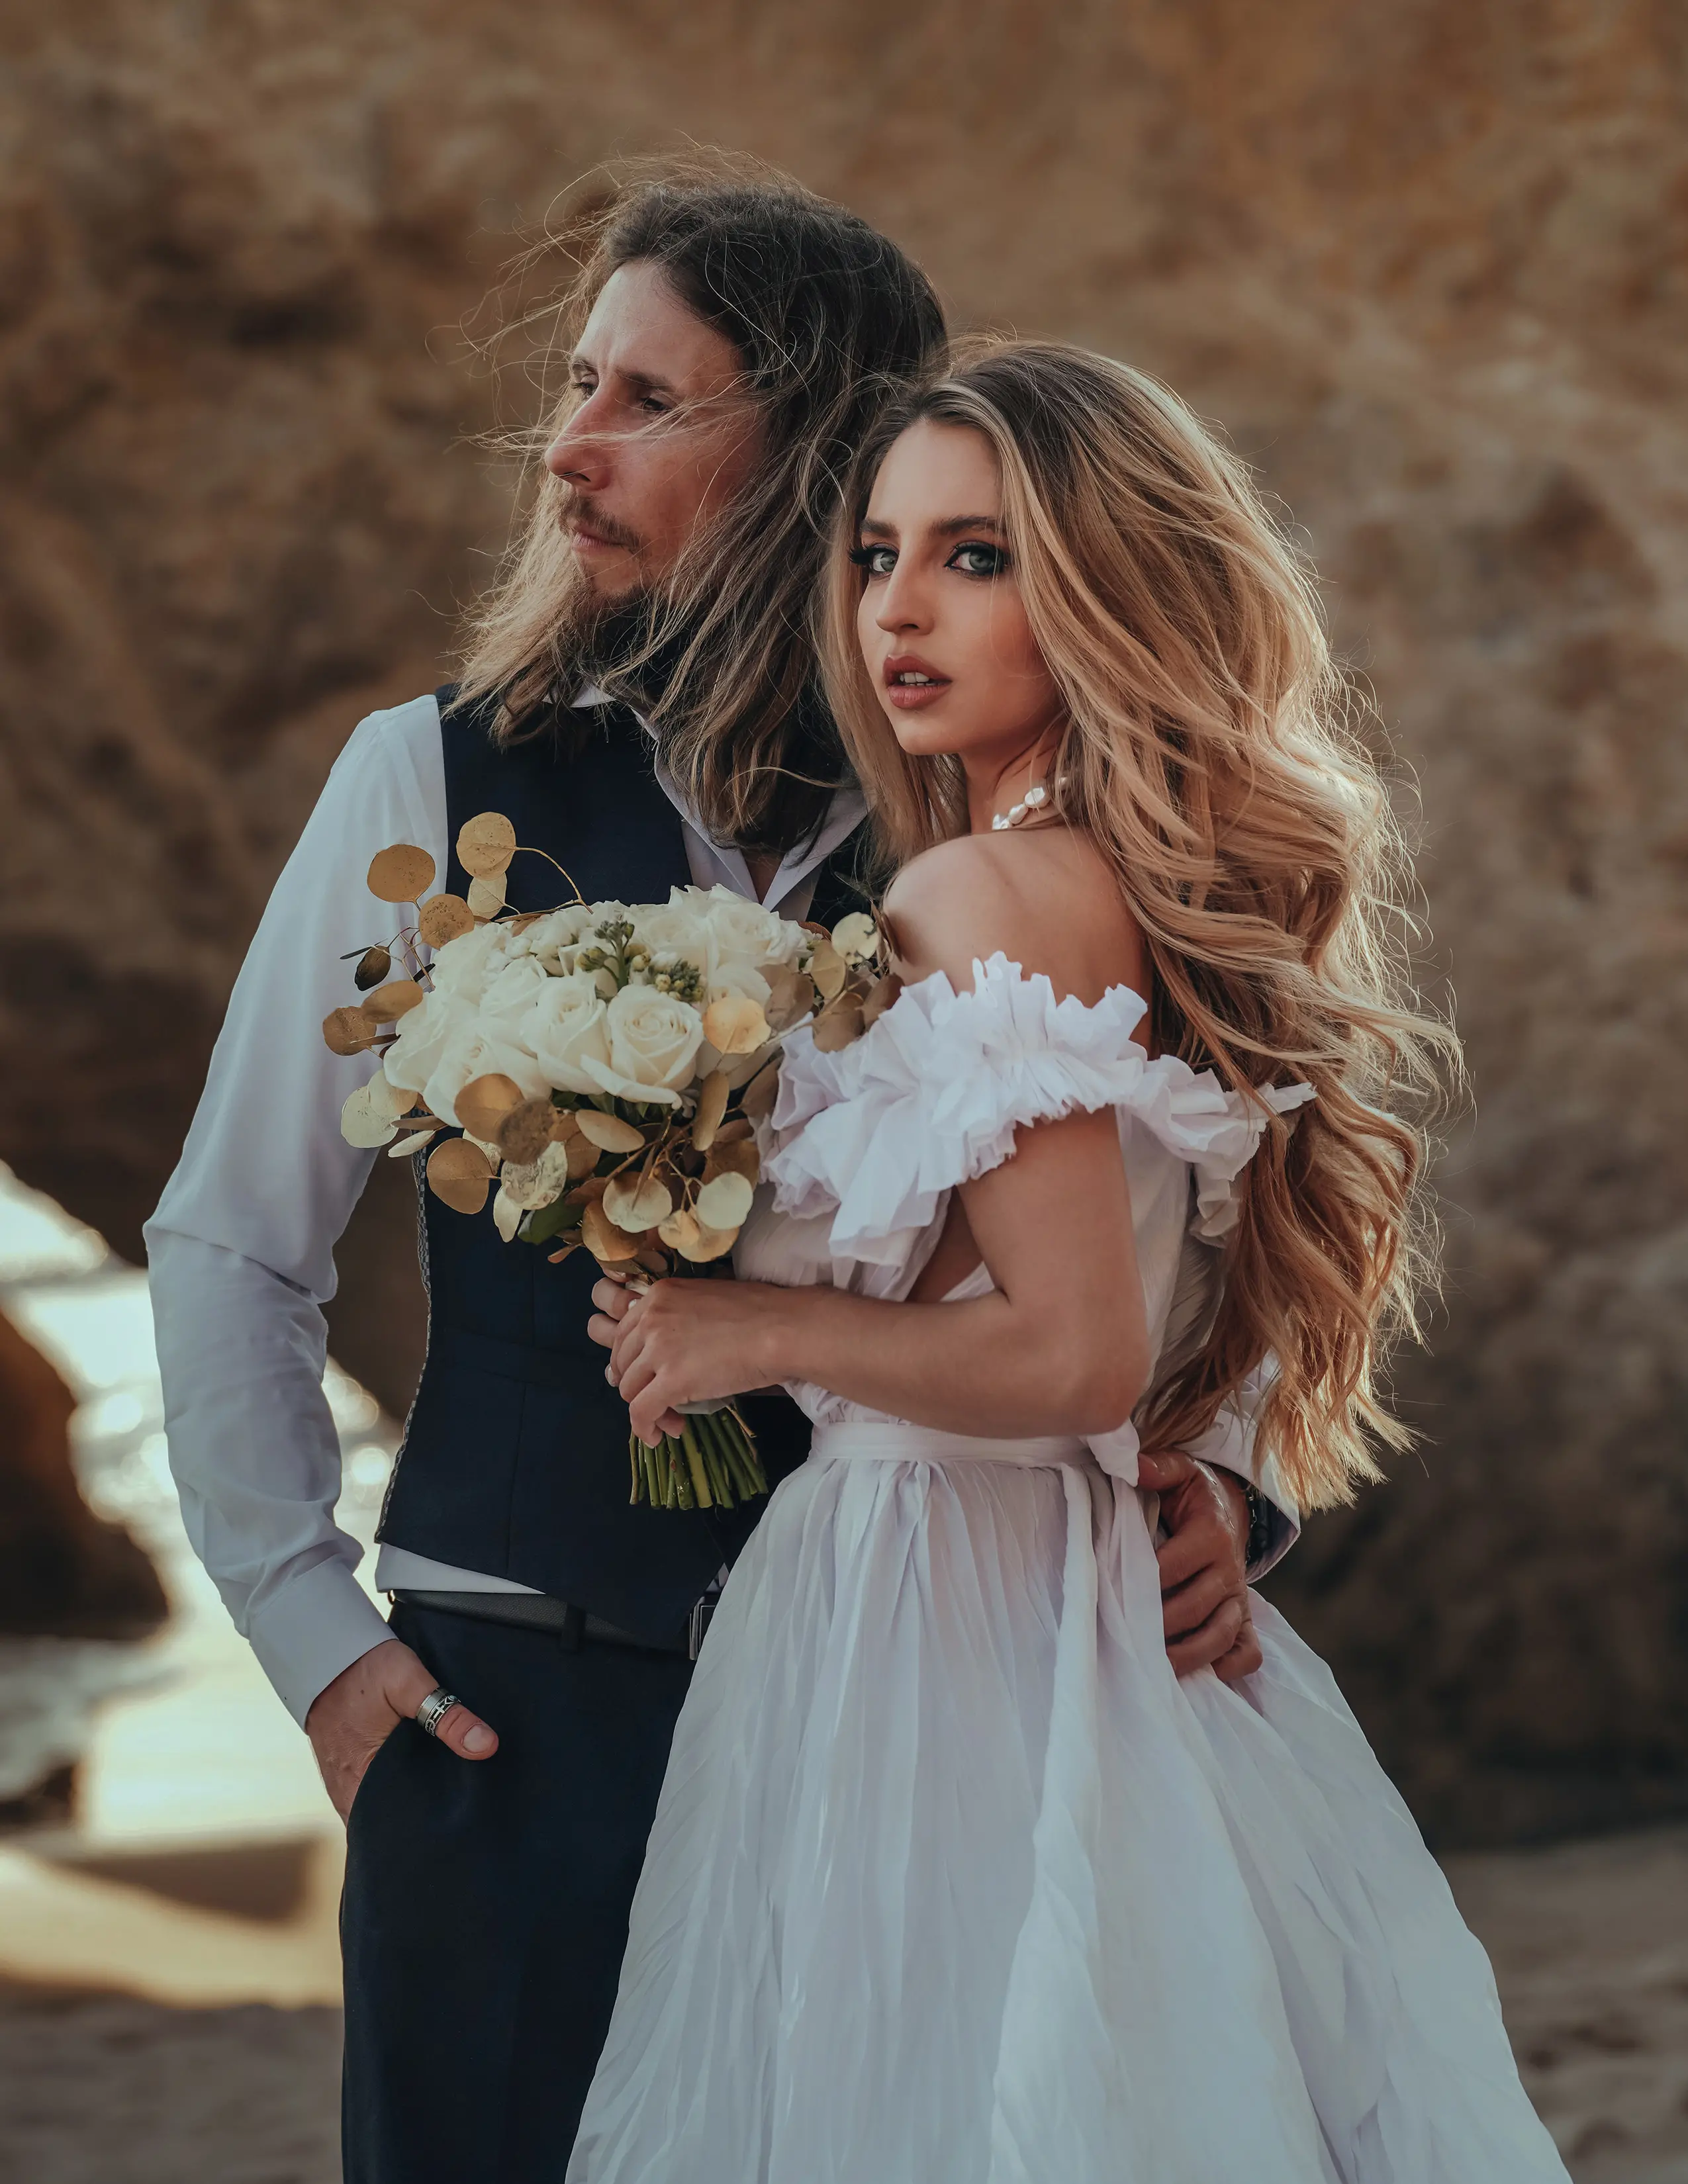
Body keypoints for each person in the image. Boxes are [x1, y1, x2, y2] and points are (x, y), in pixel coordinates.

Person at [144, 169, 1289, 2182]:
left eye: (646, 400)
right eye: (576, 383)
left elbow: (1187, 1170)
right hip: (506, 1713)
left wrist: (1235, 1475)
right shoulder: (425, 783)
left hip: (906, 1720)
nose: (566, 447)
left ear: (805, 458)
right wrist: (315, 1646)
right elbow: (235, 1239)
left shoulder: (979, 824)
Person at [573, 340, 1571, 2181]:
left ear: (1107, 583)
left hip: (936, 1601)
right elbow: (1143, 1326)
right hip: (1070, 1587)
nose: (899, 607)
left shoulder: (976, 897)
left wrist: (739, 1323)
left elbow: (1070, 1357)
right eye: (876, 553)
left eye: (977, 553)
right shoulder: (1116, 885)